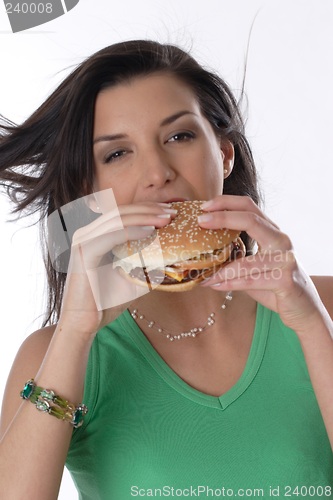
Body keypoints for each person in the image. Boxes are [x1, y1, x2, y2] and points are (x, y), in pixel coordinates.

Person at [0, 40, 332, 499]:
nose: (157, 172)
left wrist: (312, 326)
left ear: (225, 154)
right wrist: (75, 333)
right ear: (89, 192)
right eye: (116, 154)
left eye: (179, 136)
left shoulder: (322, 308)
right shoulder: (56, 355)